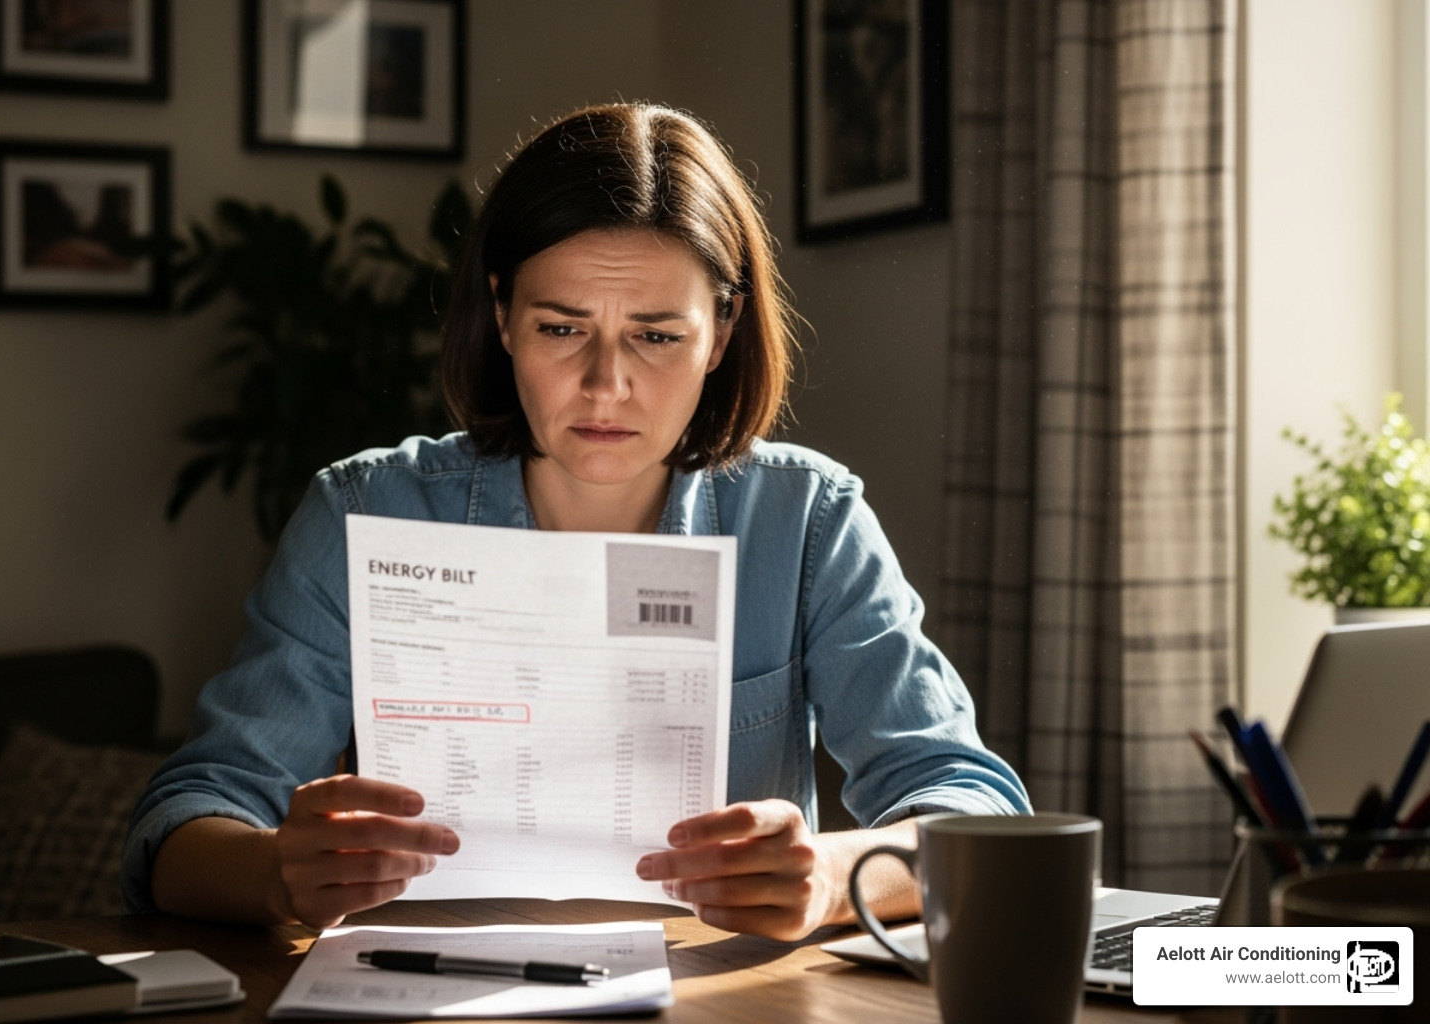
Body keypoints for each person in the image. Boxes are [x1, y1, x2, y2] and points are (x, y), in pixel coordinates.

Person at [123, 102, 1029, 943]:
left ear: (720, 331)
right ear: (504, 316)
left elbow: (977, 811)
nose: (606, 385)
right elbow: (183, 824)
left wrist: (832, 876)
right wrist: (275, 871)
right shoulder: (366, 511)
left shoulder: (805, 519)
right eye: (562, 329)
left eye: (657, 336)